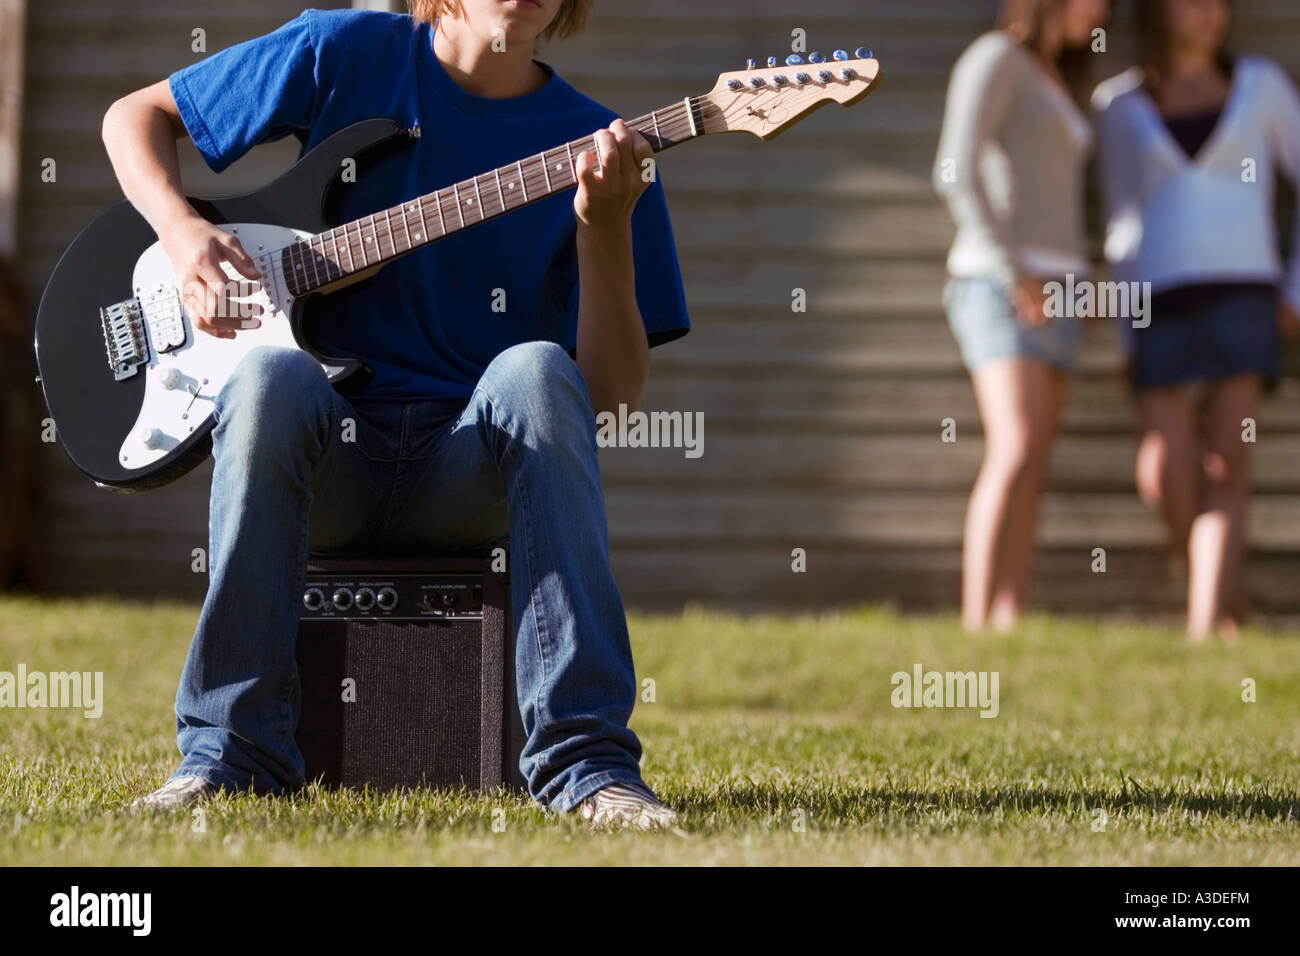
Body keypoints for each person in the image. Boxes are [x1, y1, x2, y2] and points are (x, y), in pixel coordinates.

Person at [100, 0, 690, 828]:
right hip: (326, 459)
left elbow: (612, 398)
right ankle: (225, 757)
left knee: (533, 368)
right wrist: (181, 231)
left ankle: (588, 767)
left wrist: (603, 230)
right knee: (271, 377)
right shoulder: (343, 53)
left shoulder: (600, 147)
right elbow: (136, 116)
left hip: (466, 471)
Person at [1093, 0, 1300, 641]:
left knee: (1226, 462)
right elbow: (1119, 225)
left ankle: (1203, 631)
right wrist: (1125, 326)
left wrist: (1295, 294)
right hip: (1158, 303)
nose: (1211, 14)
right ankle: (1225, 605)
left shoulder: (1262, 84)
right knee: (1162, 470)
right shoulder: (1118, 106)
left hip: (1245, 297)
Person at [934, 0, 1111, 633]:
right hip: (1001, 283)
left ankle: (1012, 619)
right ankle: (976, 622)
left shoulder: (1058, 73)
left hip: (1062, 286)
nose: (1105, 9)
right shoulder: (996, 56)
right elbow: (954, 170)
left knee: (1034, 457)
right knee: (1011, 447)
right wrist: (1016, 272)